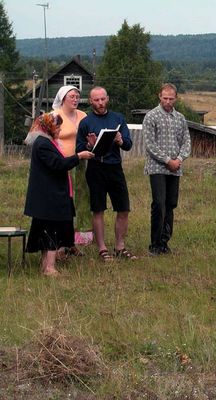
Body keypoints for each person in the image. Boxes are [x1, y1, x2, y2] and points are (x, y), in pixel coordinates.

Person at [24, 113, 94, 276]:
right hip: (49, 196)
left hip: (49, 195)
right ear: (48, 128)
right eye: (57, 127)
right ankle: (49, 267)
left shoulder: (47, 142)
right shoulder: (43, 144)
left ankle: (45, 266)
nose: (60, 129)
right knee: (51, 231)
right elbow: (58, 164)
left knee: (47, 230)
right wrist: (79, 156)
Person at [76, 86, 137, 262]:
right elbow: (79, 149)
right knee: (98, 209)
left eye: (103, 99)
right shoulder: (86, 122)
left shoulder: (118, 118)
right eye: (96, 100)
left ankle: (120, 246)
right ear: (90, 101)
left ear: (107, 98)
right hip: (95, 168)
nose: (100, 103)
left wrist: (120, 140)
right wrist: (89, 145)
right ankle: (102, 248)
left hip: (115, 167)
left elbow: (128, 145)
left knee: (123, 208)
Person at [142, 83, 191, 255]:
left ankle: (165, 241)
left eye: (171, 98)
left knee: (171, 204)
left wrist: (179, 159)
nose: (168, 101)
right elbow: (149, 144)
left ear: (176, 98)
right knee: (159, 204)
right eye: (165, 98)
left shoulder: (180, 118)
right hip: (157, 167)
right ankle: (154, 244)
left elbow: (186, 141)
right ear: (159, 97)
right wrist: (167, 160)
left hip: (175, 168)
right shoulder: (151, 116)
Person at [52, 85, 93, 257]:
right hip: (63, 163)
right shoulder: (54, 116)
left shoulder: (84, 116)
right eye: (72, 96)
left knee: (81, 200)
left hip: (82, 163)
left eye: (77, 96)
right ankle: (60, 244)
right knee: (64, 201)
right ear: (63, 98)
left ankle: (73, 241)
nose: (75, 99)